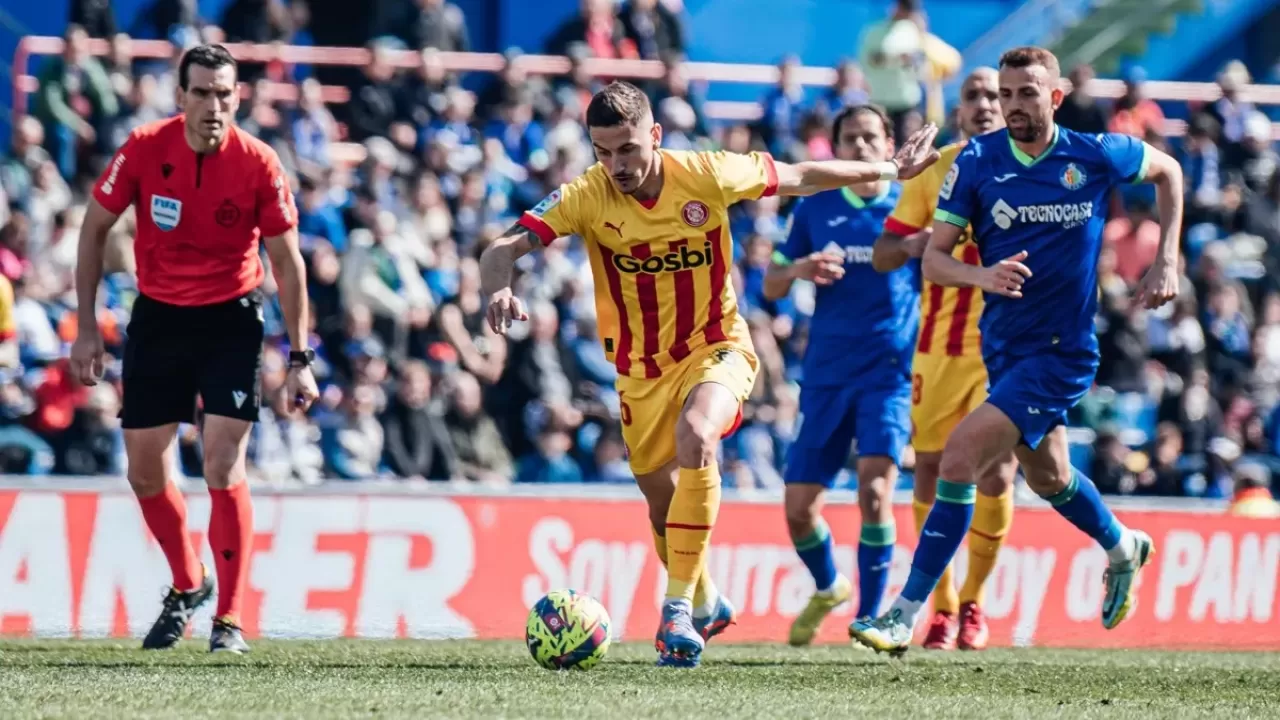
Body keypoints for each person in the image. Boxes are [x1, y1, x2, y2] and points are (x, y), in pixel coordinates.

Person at [479, 80, 940, 667]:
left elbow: (798, 174)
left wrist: (884, 171)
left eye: (627, 149)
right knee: (658, 504)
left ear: (655, 136)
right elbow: (502, 247)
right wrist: (498, 288)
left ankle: (675, 612)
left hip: (716, 346)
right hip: (639, 371)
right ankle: (705, 598)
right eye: (603, 151)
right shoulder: (586, 194)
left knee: (698, 434)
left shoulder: (706, 173)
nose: (616, 165)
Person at [851, 46, 1183, 654]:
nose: (1013, 106)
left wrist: (1167, 258)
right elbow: (933, 259)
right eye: (1005, 95)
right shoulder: (976, 161)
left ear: (1055, 97)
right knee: (1050, 476)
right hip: (1001, 345)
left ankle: (905, 613)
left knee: (958, 458)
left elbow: (1170, 172)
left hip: (1061, 353)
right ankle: (1120, 544)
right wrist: (983, 276)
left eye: (1026, 93)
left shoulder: (1094, 153)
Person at [69, 44, 319, 654]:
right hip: (157, 318)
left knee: (220, 462)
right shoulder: (145, 148)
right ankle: (189, 583)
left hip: (231, 319)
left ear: (239, 97)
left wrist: (301, 358)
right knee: (143, 469)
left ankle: (228, 620)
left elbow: (287, 264)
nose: (213, 105)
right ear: (180, 96)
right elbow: (93, 227)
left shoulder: (259, 163)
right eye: (201, 92)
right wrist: (83, 326)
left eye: (224, 94)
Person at [759, 104, 917, 646]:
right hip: (826, 375)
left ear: (889, 142)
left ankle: (871, 620)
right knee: (799, 509)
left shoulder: (911, 206)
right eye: (850, 139)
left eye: (871, 137)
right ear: (837, 147)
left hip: (889, 373)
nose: (861, 147)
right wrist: (800, 269)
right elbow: (772, 285)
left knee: (876, 489)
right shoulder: (816, 207)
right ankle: (829, 585)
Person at [872, 67, 1017, 651]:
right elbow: (884, 253)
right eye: (974, 96)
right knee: (930, 467)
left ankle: (975, 603)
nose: (985, 104)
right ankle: (942, 606)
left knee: (998, 470)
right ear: (958, 110)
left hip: (1002, 346)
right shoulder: (936, 168)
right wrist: (916, 243)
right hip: (937, 349)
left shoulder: (1033, 171)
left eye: (996, 96)